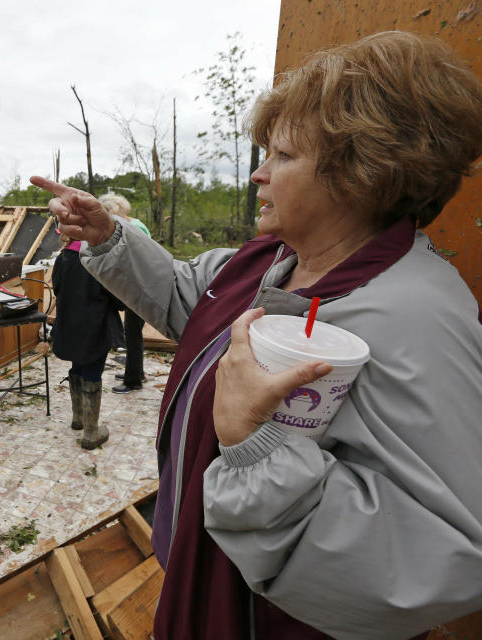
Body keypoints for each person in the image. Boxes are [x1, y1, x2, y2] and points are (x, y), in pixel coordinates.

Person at [31, 31, 482, 639]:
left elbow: (440, 557)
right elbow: (187, 300)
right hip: (207, 570)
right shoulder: (269, 261)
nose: (258, 175)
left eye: (283, 157)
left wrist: (255, 452)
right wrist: (110, 234)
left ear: (362, 172)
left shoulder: (418, 319)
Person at [51, 217, 123, 449]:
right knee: (93, 369)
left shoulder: (63, 258)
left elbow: (58, 289)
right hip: (95, 325)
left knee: (78, 365)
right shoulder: (97, 258)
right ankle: (91, 432)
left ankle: (79, 418)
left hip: (70, 325)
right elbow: (116, 297)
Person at [98, 193, 151, 394]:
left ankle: (133, 380)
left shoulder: (133, 229)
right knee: (133, 333)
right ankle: (138, 372)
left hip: (140, 288)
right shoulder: (135, 223)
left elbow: (134, 261)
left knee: (133, 334)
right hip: (140, 286)